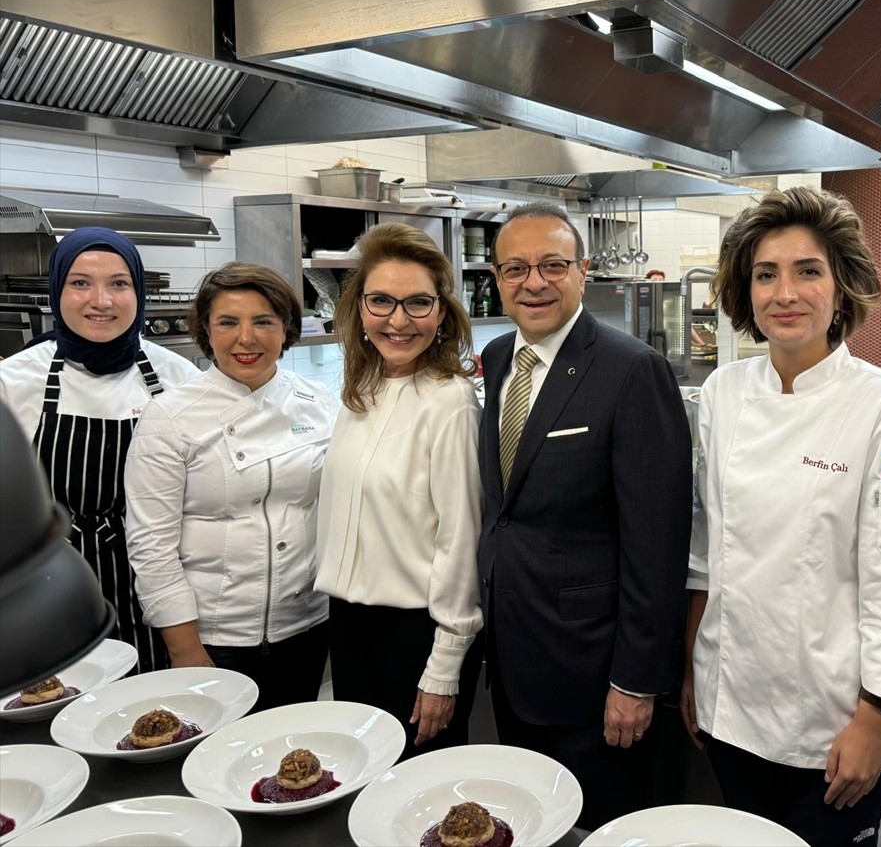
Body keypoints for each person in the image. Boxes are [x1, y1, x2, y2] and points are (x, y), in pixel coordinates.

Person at [680, 187, 881, 847]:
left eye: (807, 270)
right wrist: (692, 668)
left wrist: (875, 716)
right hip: (731, 706)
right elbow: (708, 549)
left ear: (841, 285)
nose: (784, 292)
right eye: (766, 274)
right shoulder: (721, 394)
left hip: (834, 722)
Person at [477, 201, 692, 830]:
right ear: (496, 277)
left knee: (600, 828)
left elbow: (657, 541)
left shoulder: (631, 370)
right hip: (515, 654)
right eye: (515, 268)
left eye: (551, 265)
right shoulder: (495, 360)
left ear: (583, 270)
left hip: (594, 671)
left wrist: (635, 680)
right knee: (530, 823)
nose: (533, 282)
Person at [124, 263, 337, 711]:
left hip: (307, 625)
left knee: (294, 757)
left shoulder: (320, 404)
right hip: (214, 635)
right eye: (228, 322)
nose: (247, 338)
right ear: (206, 330)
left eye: (263, 321)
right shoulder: (170, 416)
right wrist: (184, 647)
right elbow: (150, 543)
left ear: (285, 328)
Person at [315, 222, 483, 758]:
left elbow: (461, 541)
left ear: (441, 313)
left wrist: (444, 667)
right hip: (348, 626)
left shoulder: (450, 401)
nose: (398, 320)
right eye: (381, 301)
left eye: (417, 304)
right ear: (359, 309)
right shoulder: (357, 390)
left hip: (415, 635)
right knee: (362, 780)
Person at [0, 227, 199, 674]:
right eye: (81, 283)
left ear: (138, 292)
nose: (101, 301)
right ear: (56, 291)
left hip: (157, 591)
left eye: (119, 284)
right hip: (49, 596)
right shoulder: (13, 381)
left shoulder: (177, 376)